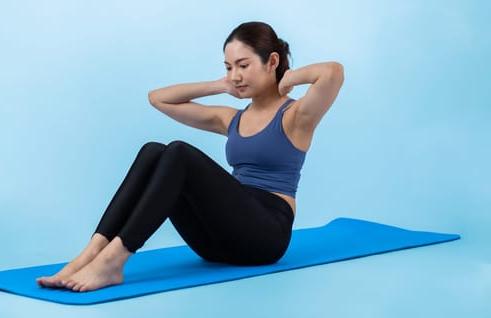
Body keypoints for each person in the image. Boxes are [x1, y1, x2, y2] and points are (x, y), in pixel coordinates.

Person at [36, 21, 344, 292]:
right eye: (228, 67)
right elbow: (158, 98)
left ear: (271, 61)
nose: (235, 75)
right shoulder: (231, 119)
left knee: (180, 154)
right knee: (154, 151)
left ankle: (114, 261)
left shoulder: (296, 117)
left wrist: (289, 78)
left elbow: (333, 72)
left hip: (265, 236)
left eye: (243, 65)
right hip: (218, 242)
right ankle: (91, 253)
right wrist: (219, 85)